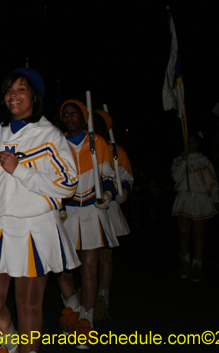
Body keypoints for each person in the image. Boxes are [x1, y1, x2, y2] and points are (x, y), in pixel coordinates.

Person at [0, 69, 78, 353]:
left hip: (35, 227)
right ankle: (12, 343)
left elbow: (68, 184)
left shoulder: (49, 134)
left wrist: (21, 171)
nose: (13, 96)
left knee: (28, 303)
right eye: (9, 90)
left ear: (34, 96)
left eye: (21, 90)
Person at [56, 99, 117, 348]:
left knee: (89, 267)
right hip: (65, 214)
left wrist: (109, 195)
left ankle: (86, 321)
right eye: (66, 114)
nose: (70, 118)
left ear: (84, 118)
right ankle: (72, 306)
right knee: (61, 268)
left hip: (92, 210)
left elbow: (110, 177)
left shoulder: (98, 143)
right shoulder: (56, 143)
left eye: (75, 114)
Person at [92, 110, 133, 319]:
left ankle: (103, 296)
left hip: (109, 208)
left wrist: (122, 191)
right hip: (88, 208)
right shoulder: (86, 147)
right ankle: (87, 296)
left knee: (106, 254)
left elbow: (125, 177)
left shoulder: (116, 151)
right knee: (89, 254)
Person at [171, 134, 219, 282]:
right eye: (188, 142)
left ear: (198, 144)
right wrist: (184, 160)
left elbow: (212, 182)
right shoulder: (178, 160)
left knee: (198, 234)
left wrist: (216, 198)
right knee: (184, 232)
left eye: (193, 142)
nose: (191, 145)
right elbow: (176, 178)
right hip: (184, 198)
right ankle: (185, 261)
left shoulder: (204, 161)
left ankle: (197, 264)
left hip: (199, 199)